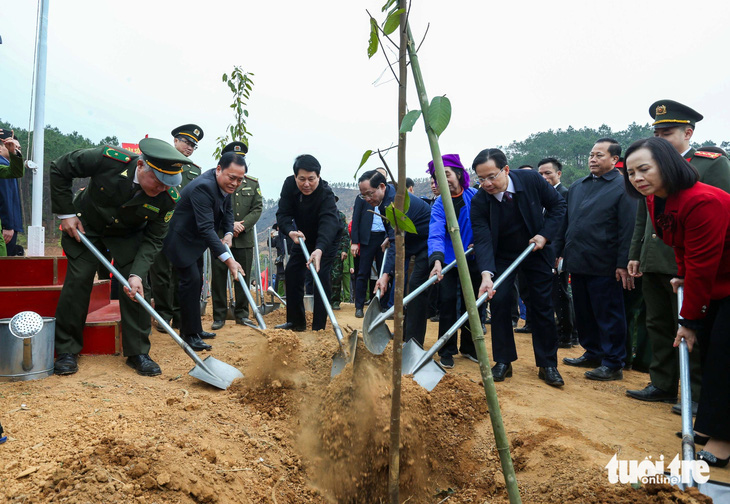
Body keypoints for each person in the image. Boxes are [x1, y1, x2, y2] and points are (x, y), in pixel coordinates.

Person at [624, 136, 730, 468]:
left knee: (725, 357)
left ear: (667, 165)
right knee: (712, 355)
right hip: (714, 281)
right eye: (631, 173)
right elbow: (681, 247)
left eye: (644, 169)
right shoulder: (657, 199)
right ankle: (710, 426)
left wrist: (688, 321)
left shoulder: (702, 200)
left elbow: (703, 264)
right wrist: (681, 275)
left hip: (722, 279)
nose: (637, 178)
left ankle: (723, 439)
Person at [51, 138, 189, 376]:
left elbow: (154, 239)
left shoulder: (168, 199)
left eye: (169, 184)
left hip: (127, 236)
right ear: (141, 166)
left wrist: (136, 274)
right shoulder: (109, 159)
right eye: (157, 182)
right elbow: (60, 167)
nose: (162, 189)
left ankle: (138, 353)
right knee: (79, 279)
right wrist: (66, 213)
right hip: (86, 226)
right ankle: (67, 350)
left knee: (134, 288)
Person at [471, 148, 567, 387]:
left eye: (492, 176)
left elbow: (558, 207)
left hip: (536, 248)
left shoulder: (531, 179)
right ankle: (503, 361)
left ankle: (548, 364)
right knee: (500, 301)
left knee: (541, 304)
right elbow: (482, 239)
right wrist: (486, 275)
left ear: (505, 169)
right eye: (481, 179)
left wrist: (545, 235)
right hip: (502, 254)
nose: (487, 184)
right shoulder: (479, 200)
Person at [557, 138, 637, 381]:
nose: (592, 159)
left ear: (615, 159)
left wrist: (623, 262)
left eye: (599, 155)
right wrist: (559, 251)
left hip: (606, 264)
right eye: (591, 155)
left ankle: (613, 362)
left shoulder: (624, 186)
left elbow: (628, 228)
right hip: (578, 260)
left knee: (609, 313)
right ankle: (592, 352)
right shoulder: (578, 186)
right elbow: (566, 223)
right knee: (584, 311)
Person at [163, 152, 245, 351]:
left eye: (240, 179)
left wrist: (228, 233)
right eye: (231, 177)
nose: (235, 183)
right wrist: (229, 261)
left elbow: (228, 211)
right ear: (219, 170)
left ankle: (195, 329)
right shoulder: (204, 187)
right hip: (181, 240)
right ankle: (189, 335)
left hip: (195, 243)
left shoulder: (223, 187)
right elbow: (206, 228)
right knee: (189, 283)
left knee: (196, 282)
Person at [362, 170, 431, 346]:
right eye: (364, 196)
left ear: (382, 186)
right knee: (401, 287)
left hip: (425, 244)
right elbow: (395, 237)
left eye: (370, 193)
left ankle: (413, 342)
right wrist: (389, 238)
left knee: (415, 289)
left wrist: (385, 275)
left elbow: (396, 242)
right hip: (408, 245)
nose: (368, 199)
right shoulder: (386, 200)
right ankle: (403, 332)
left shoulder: (394, 203)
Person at [275, 155, 341, 332]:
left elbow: (328, 222)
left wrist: (319, 249)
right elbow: (283, 214)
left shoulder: (326, 193)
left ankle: (319, 327)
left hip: (326, 239)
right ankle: (296, 323)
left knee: (320, 274)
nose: (306, 184)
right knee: (292, 272)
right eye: (301, 179)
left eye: (311, 179)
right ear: (295, 177)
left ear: (318, 177)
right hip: (301, 237)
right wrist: (290, 232)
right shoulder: (289, 186)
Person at [149, 124, 204, 332]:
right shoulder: (159, 161)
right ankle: (163, 314)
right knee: (160, 273)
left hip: (182, 231)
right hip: (159, 226)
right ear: (175, 141)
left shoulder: (194, 171)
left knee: (180, 274)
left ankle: (181, 317)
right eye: (187, 143)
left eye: (193, 146)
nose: (189, 148)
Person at [427, 154, 480, 369]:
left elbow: (483, 224)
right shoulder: (439, 204)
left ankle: (470, 347)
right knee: (447, 302)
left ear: (459, 174)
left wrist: (479, 243)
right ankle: (447, 349)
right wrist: (437, 260)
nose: (442, 179)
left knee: (473, 303)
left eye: (446, 174)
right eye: (437, 176)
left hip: (473, 258)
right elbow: (436, 233)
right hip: (449, 260)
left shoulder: (475, 197)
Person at [210, 141, 262, 329]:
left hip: (244, 238)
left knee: (243, 277)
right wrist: (230, 226)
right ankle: (219, 316)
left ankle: (242, 314)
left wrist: (242, 225)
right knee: (218, 277)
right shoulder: (217, 181)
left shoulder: (252, 183)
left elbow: (257, 208)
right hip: (220, 237)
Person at [537, 157, 578, 348]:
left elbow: (566, 227)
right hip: (544, 253)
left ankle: (566, 336)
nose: (544, 177)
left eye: (548, 173)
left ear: (558, 174)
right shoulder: (540, 196)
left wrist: (560, 254)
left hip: (558, 253)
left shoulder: (565, 194)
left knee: (560, 294)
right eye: (541, 174)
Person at [351, 170, 387, 318]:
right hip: (368, 238)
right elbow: (355, 220)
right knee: (362, 273)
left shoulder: (388, 197)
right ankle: (359, 306)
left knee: (384, 272)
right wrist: (355, 242)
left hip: (385, 238)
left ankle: (380, 306)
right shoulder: (362, 198)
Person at [0, 130, 24, 257]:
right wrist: (8, 225)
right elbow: (5, 196)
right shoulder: (2, 164)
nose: (16, 149)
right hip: (5, 227)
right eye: (13, 146)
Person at [330, 202, 351, 310]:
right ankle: (323, 301)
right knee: (323, 276)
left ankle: (335, 301)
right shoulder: (321, 214)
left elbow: (345, 235)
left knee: (336, 277)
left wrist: (344, 250)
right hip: (323, 251)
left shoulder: (340, 216)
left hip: (337, 251)